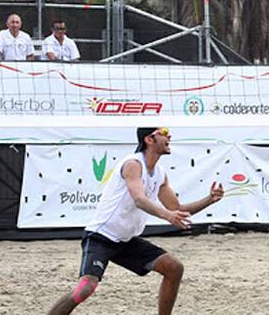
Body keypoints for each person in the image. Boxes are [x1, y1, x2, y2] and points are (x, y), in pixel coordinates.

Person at [47, 127, 225, 315]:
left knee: (174, 268)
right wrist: (167, 215)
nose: (169, 136)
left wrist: (209, 199)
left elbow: (177, 209)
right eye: (164, 132)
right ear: (149, 139)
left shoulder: (160, 173)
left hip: (126, 240)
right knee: (85, 289)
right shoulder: (133, 164)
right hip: (102, 236)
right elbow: (139, 199)